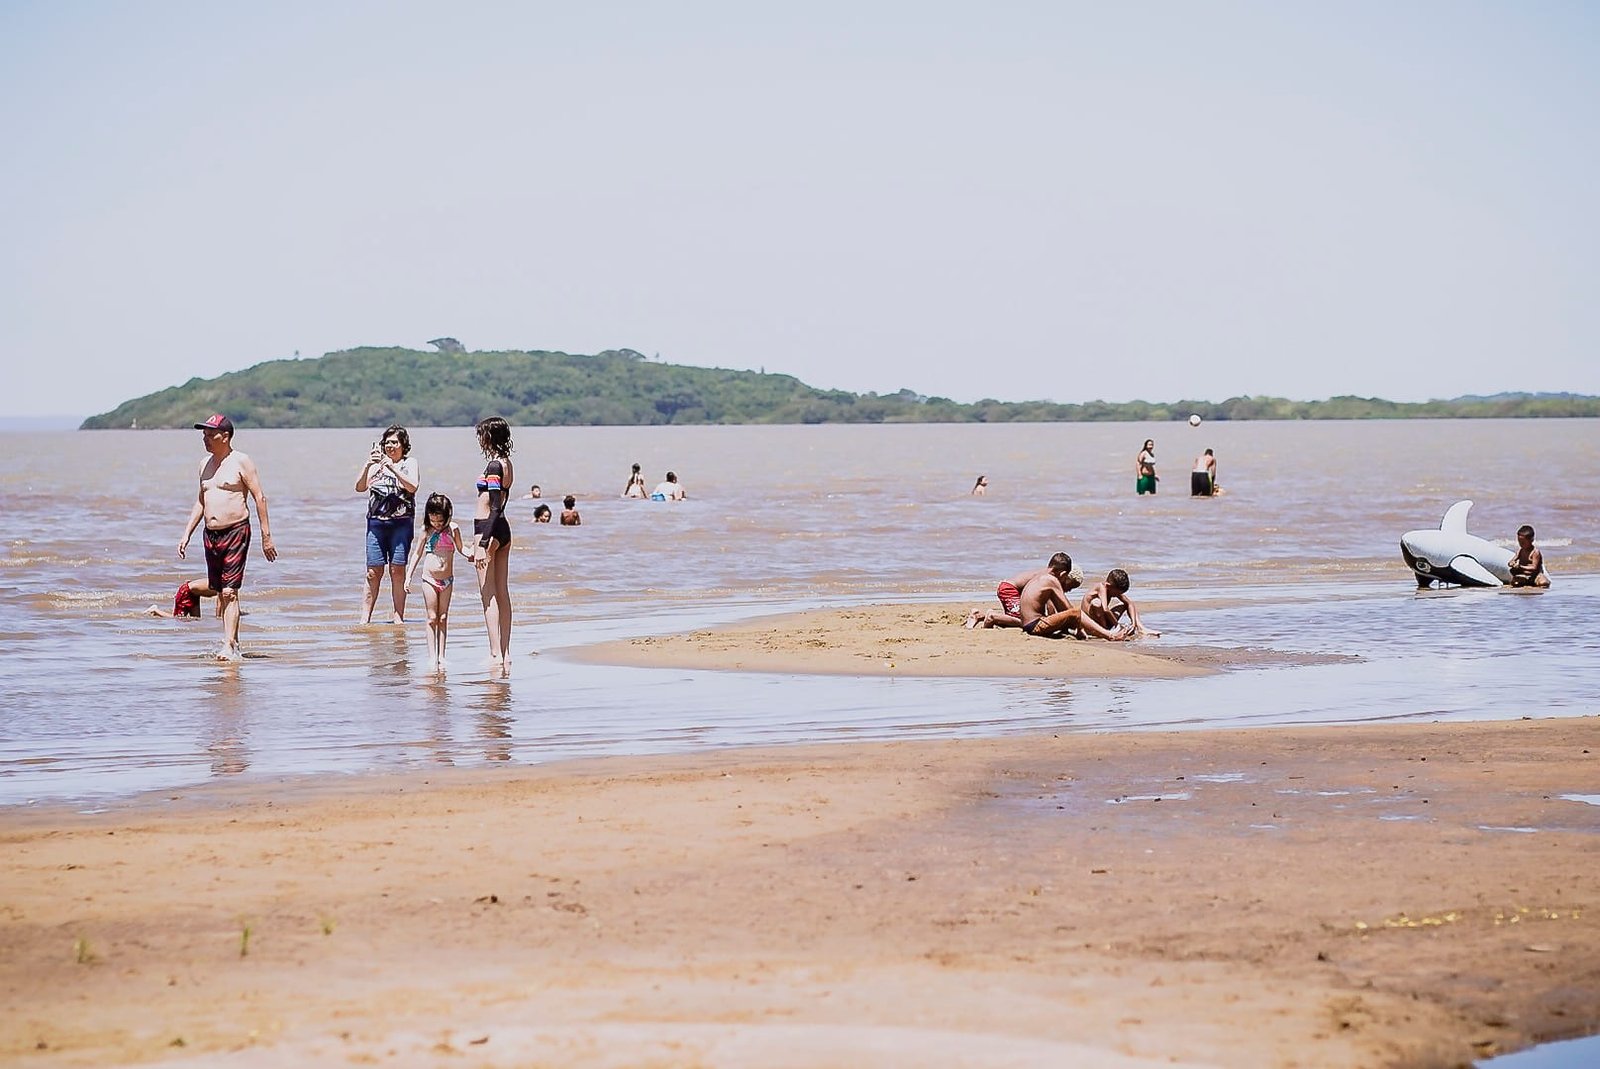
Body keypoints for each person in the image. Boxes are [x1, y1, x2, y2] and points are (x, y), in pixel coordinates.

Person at [177, 414, 276, 659]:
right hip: (210, 535)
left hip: (236, 531)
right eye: (204, 435)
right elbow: (201, 501)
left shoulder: (242, 461)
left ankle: (228, 646)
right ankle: (235, 645)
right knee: (220, 590)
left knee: (230, 592)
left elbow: (259, 497)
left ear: (226, 436)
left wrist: (266, 537)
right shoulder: (204, 465)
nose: (206, 439)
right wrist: (186, 533)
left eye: (211, 435)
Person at [355, 425, 419, 624]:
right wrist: (368, 465)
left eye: (395, 442)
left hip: (401, 523)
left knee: (397, 570)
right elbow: (359, 487)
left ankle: (398, 617)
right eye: (387, 442)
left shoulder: (410, 463)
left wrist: (392, 467)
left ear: (403, 445)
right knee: (373, 572)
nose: (390, 446)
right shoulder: (374, 466)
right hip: (376, 524)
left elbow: (413, 486)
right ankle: (365, 618)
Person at [470, 416, 515, 678]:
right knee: (502, 592)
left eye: (482, 435)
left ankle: (494, 654)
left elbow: (495, 506)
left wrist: (482, 544)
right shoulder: (507, 463)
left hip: (487, 528)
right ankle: (506, 652)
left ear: (489, 436)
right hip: (502, 529)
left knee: (488, 595)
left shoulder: (495, 465)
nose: (480, 439)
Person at [404, 492, 467, 672]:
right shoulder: (426, 530)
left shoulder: (453, 529)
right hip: (429, 579)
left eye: (440, 521)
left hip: (447, 580)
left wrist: (474, 554)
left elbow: (462, 549)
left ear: (448, 517)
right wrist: (408, 576)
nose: (437, 525)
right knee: (432, 618)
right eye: (433, 521)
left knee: (443, 617)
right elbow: (416, 553)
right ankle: (432, 657)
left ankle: (442, 656)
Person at [965, 553, 1081, 629]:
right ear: (1064, 576)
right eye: (1070, 586)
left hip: (1013, 589)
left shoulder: (1048, 574)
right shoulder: (1049, 579)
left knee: (1018, 616)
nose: (1069, 590)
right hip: (1009, 589)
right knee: (1023, 620)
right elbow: (1050, 603)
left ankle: (980, 616)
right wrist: (1052, 619)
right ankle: (992, 616)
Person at [1080, 568, 1160, 638]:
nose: (1117, 596)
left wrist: (1133, 623)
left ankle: (1140, 628)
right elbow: (1105, 609)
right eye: (1116, 593)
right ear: (1108, 586)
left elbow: (1130, 603)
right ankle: (1106, 631)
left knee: (1124, 605)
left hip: (1103, 620)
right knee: (1096, 603)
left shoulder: (1111, 588)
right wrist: (1118, 625)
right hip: (1091, 624)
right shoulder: (1101, 587)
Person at [145, 578, 218, 618]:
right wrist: (219, 619)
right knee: (178, 619)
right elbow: (220, 604)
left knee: (195, 620)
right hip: (186, 592)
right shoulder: (224, 584)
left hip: (194, 594)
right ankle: (155, 610)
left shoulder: (226, 581)